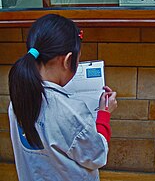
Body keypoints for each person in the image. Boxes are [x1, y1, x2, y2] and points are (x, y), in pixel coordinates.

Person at [8, 14, 117, 181]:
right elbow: (96, 156)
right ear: (68, 60)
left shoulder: (18, 99)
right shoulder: (70, 112)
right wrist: (104, 114)